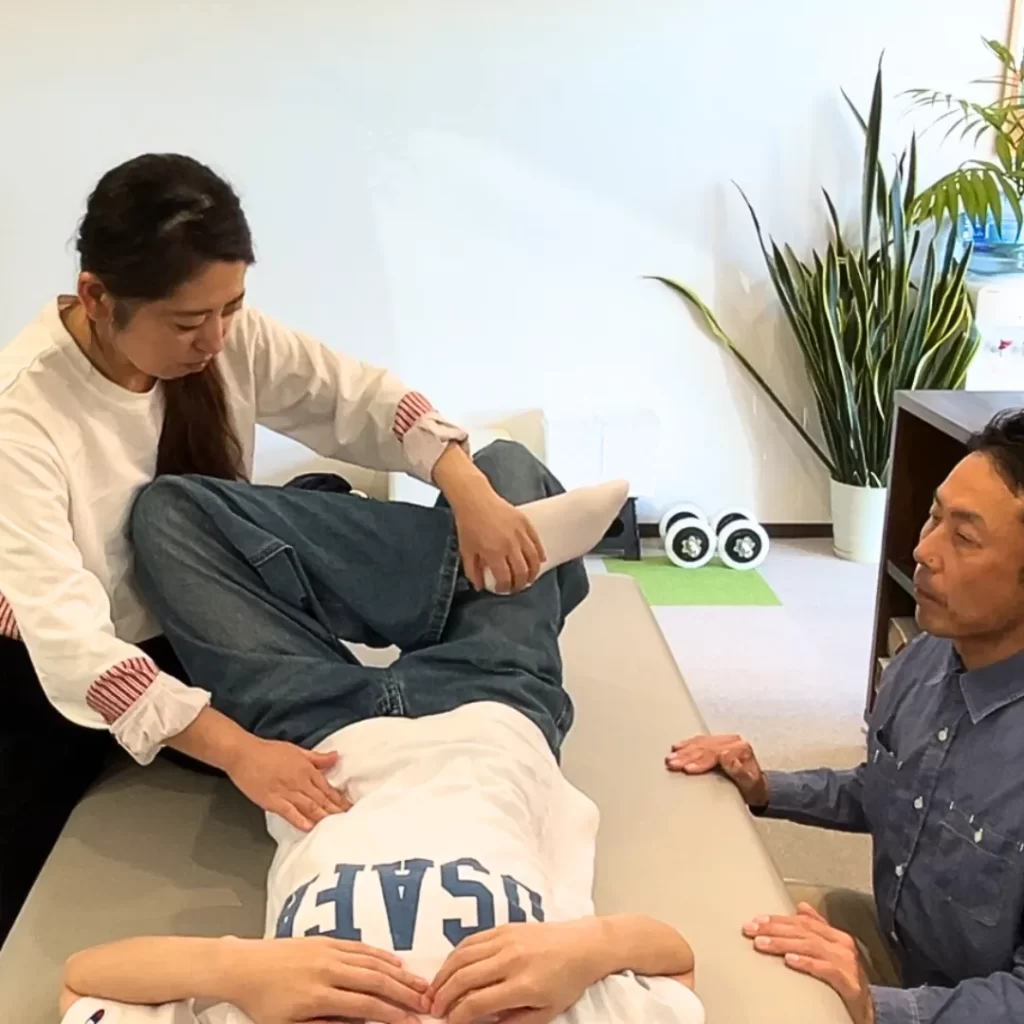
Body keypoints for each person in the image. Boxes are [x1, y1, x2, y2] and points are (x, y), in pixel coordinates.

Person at [0, 153, 552, 944]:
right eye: (188, 323)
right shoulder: (22, 414)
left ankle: (460, 632)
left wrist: (468, 488)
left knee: (506, 470)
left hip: (198, 611)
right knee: (170, 515)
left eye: (232, 307)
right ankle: (456, 677)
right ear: (96, 297)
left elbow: (358, 397)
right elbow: (73, 650)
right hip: (68, 666)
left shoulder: (226, 338)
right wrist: (240, 753)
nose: (216, 338)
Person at [58, 444, 703, 1024]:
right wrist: (583, 949)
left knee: (170, 513)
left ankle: (421, 566)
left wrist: (241, 972)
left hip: (314, 733)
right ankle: (446, 575)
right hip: (495, 707)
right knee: (507, 469)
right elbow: (674, 962)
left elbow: (83, 981)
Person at [667, 409, 1024, 1024]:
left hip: (964, 1005)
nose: (922, 549)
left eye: (964, 538)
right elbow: (887, 790)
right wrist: (765, 787)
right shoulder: (924, 661)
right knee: (706, 934)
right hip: (898, 952)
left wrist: (877, 1007)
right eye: (934, 516)